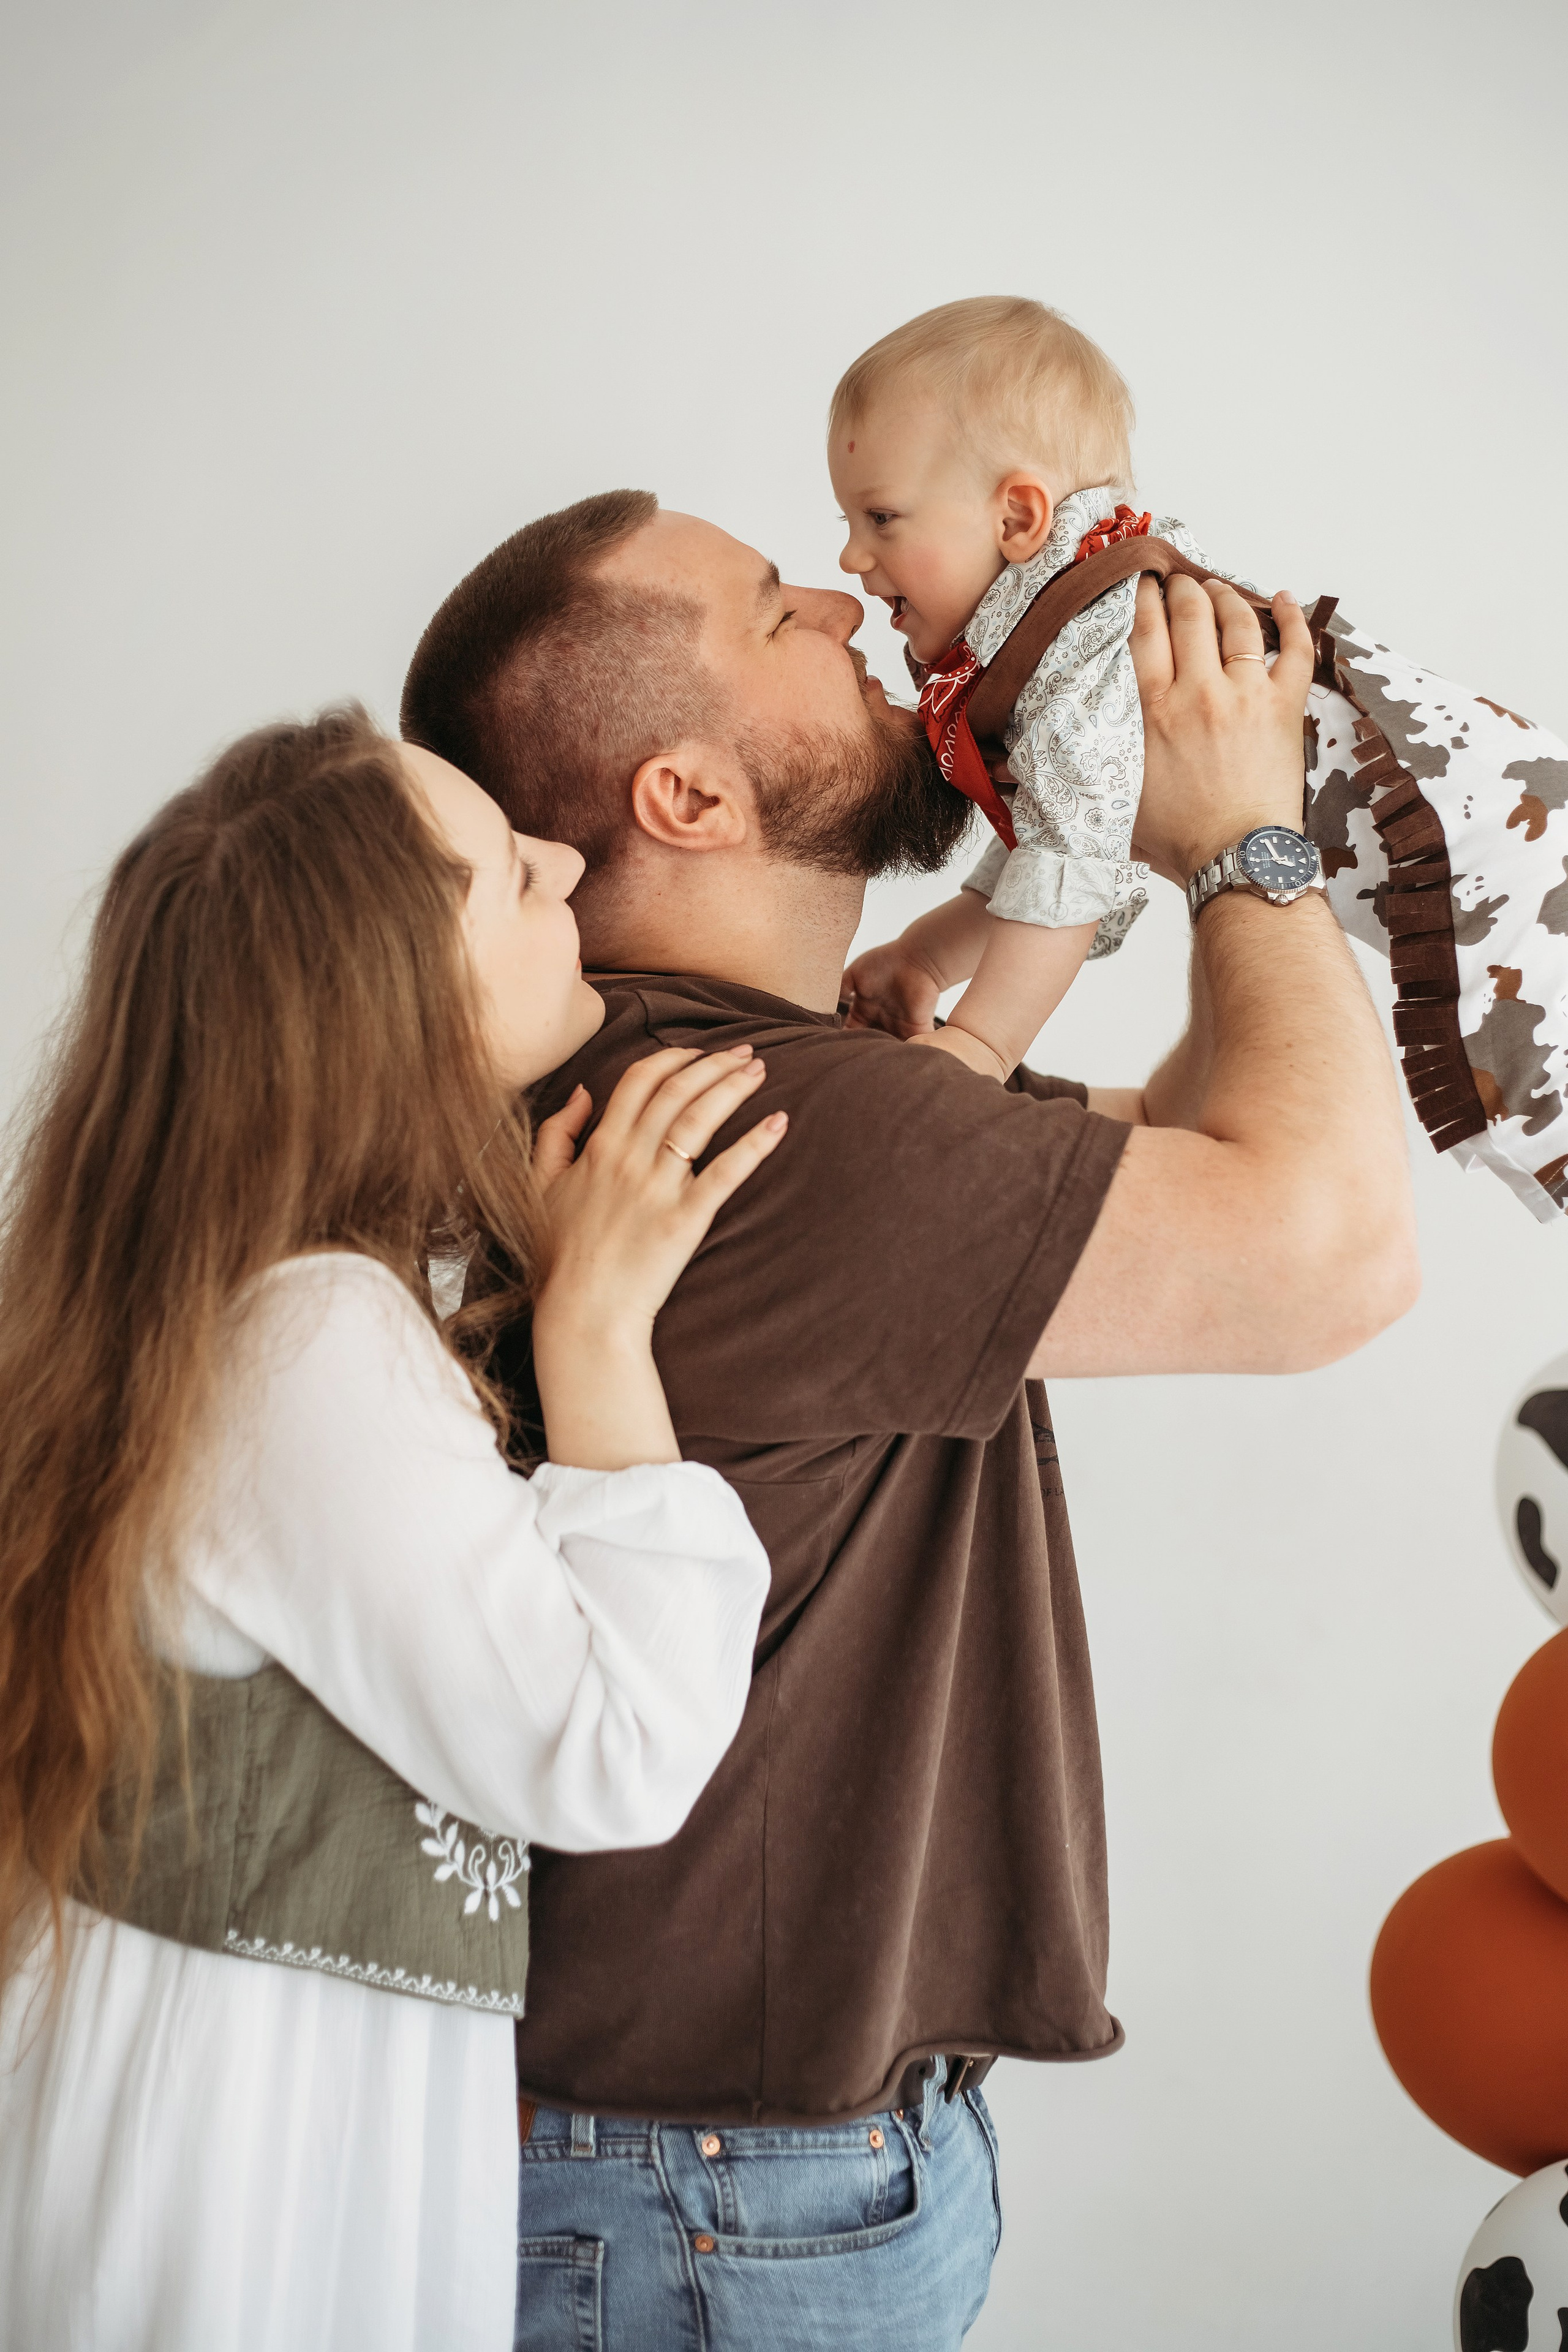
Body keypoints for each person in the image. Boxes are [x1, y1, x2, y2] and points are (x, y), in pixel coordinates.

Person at [399, 486, 1420, 2348]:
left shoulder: (761, 1086)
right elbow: (1327, 1243)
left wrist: (1113, 819)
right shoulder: (771, 1135)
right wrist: (1245, 838)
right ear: (686, 799)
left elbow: (1208, 1138)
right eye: (775, 613)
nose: (846, 596)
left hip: (711, 2178)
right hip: (707, 2200)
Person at [0, 706, 789, 2352]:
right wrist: (598, 1336)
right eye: (512, 872)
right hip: (251, 2171)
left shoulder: (244, 1302)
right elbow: (611, 1749)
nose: (570, 859)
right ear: (405, 1006)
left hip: (211, 2124)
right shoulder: (312, 1341)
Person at [830, 296, 1568, 1221]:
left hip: (1501, 846)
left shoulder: (1095, 636)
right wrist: (925, 961)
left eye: (882, 517)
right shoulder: (1062, 616)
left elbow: (1067, 872)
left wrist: (979, 1045)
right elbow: (1059, 835)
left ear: (1019, 515)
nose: (853, 557)